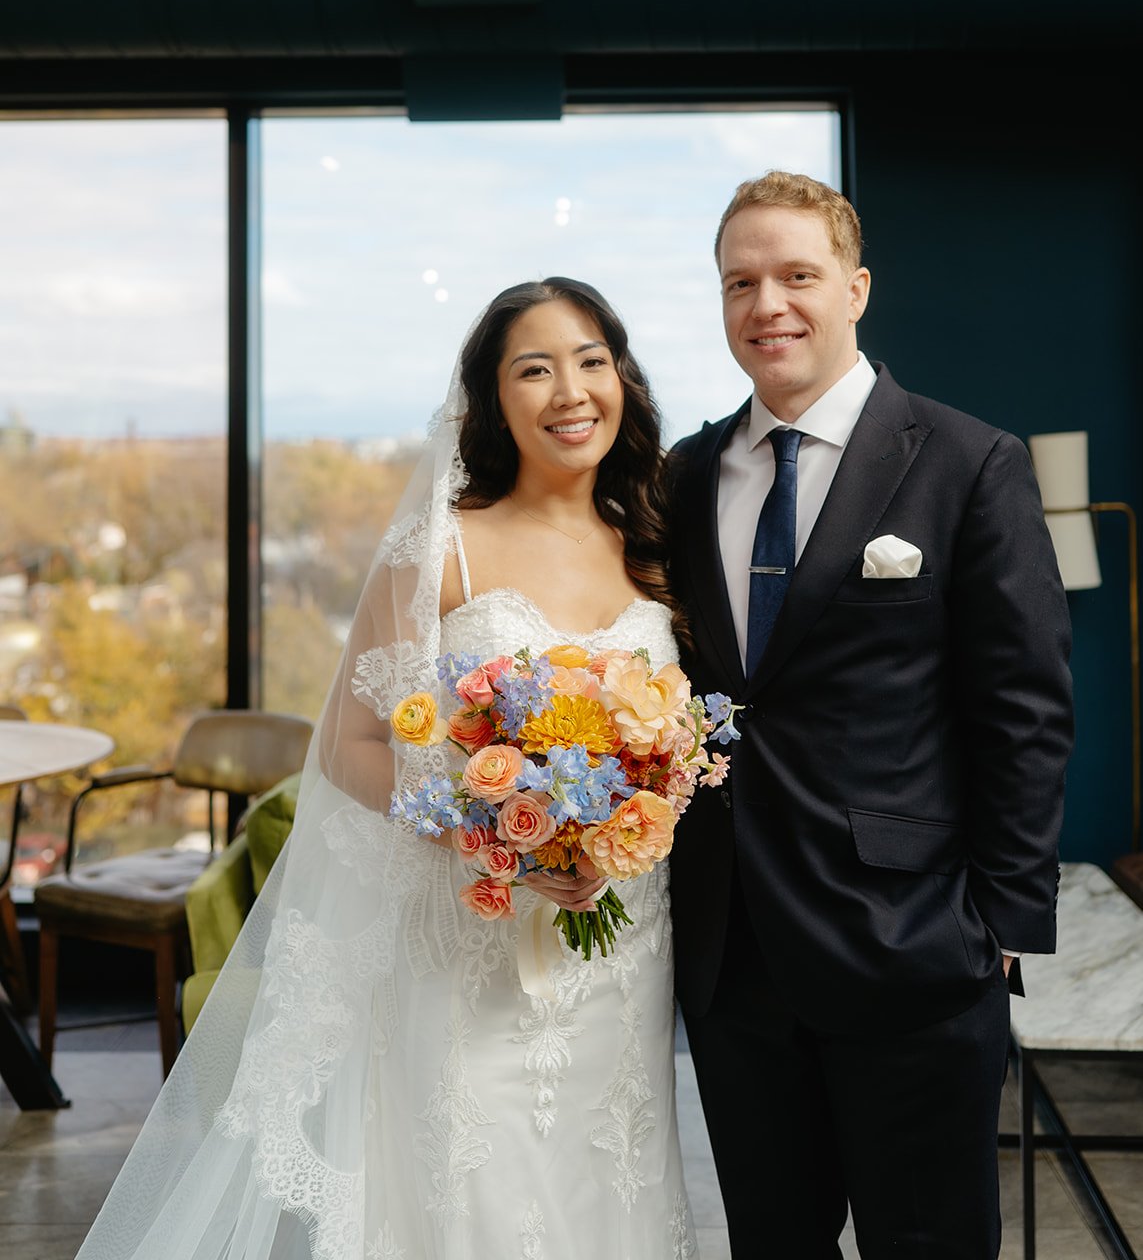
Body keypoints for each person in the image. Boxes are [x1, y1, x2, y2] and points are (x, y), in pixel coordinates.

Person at [76, 277, 697, 1260]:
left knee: (614, 1175)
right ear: (492, 400)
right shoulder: (441, 548)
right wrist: (484, 834)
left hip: (621, 952)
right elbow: (350, 743)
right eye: (534, 370)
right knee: (476, 1193)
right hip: (472, 938)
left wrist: (630, 818)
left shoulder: (656, 542)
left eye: (591, 361)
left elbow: (678, 737)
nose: (570, 391)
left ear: (622, 378)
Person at [669, 171, 1073, 1260]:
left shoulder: (969, 462)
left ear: (854, 289)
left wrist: (1001, 927)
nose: (767, 305)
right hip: (731, 957)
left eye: (796, 275)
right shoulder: (684, 475)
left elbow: (1025, 708)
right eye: (739, 282)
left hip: (915, 947)